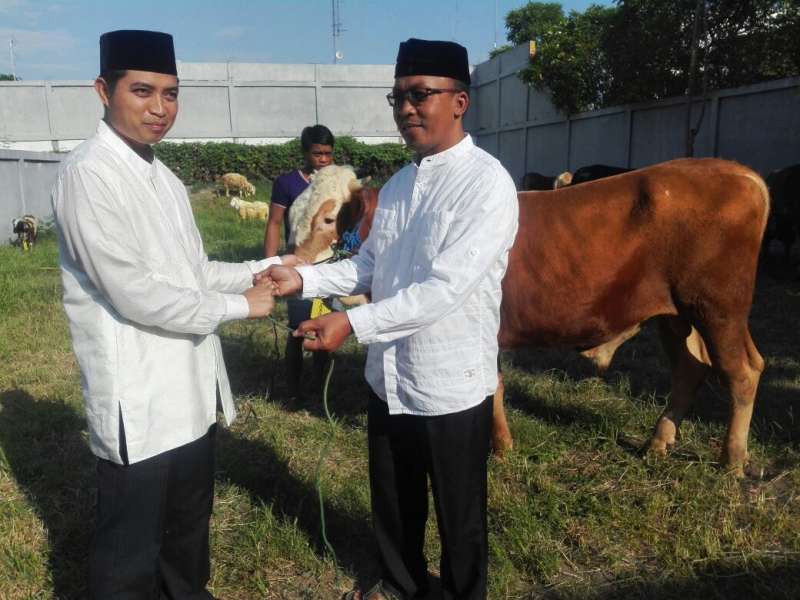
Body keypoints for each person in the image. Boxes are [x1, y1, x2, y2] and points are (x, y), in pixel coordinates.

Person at [260, 38, 519, 600]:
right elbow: (368, 266)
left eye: (420, 94)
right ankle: (400, 584)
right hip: (391, 375)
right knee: (395, 497)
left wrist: (352, 325)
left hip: (450, 381)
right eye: (397, 97)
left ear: (460, 101)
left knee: (460, 514)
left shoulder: (486, 183)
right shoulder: (400, 185)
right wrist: (304, 279)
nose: (406, 108)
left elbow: (445, 289)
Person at [52, 30, 288, 599]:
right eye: (142, 91)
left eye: (171, 93)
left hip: (188, 388)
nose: (160, 108)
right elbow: (134, 293)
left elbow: (193, 271)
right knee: (129, 554)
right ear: (103, 91)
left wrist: (265, 267)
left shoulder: (165, 177)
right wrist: (241, 306)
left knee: (187, 536)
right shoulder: (88, 174)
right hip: (139, 393)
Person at [264, 124, 335, 399]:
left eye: (328, 154)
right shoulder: (287, 184)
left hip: (330, 268)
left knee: (324, 325)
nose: (323, 159)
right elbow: (274, 223)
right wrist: (269, 264)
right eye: (317, 153)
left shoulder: (335, 182)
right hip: (298, 268)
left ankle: (320, 388)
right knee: (297, 329)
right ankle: (293, 390)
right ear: (305, 152)